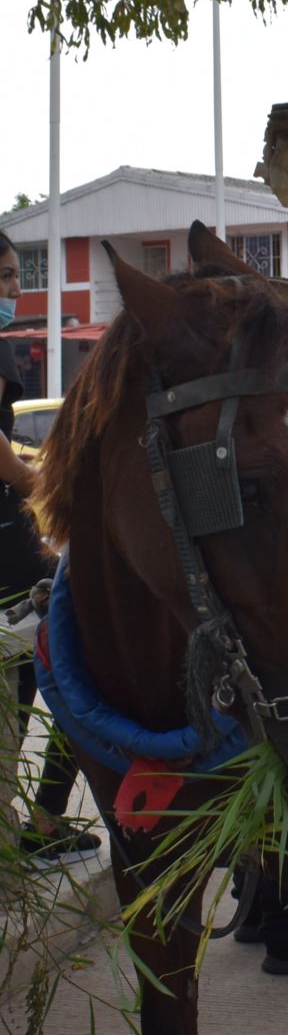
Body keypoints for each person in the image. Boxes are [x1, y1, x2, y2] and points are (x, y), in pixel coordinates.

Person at [0, 230, 95, 859]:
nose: (14, 288)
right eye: (6, 276)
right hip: (8, 554)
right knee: (53, 673)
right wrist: (50, 487)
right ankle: (33, 822)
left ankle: (32, 820)